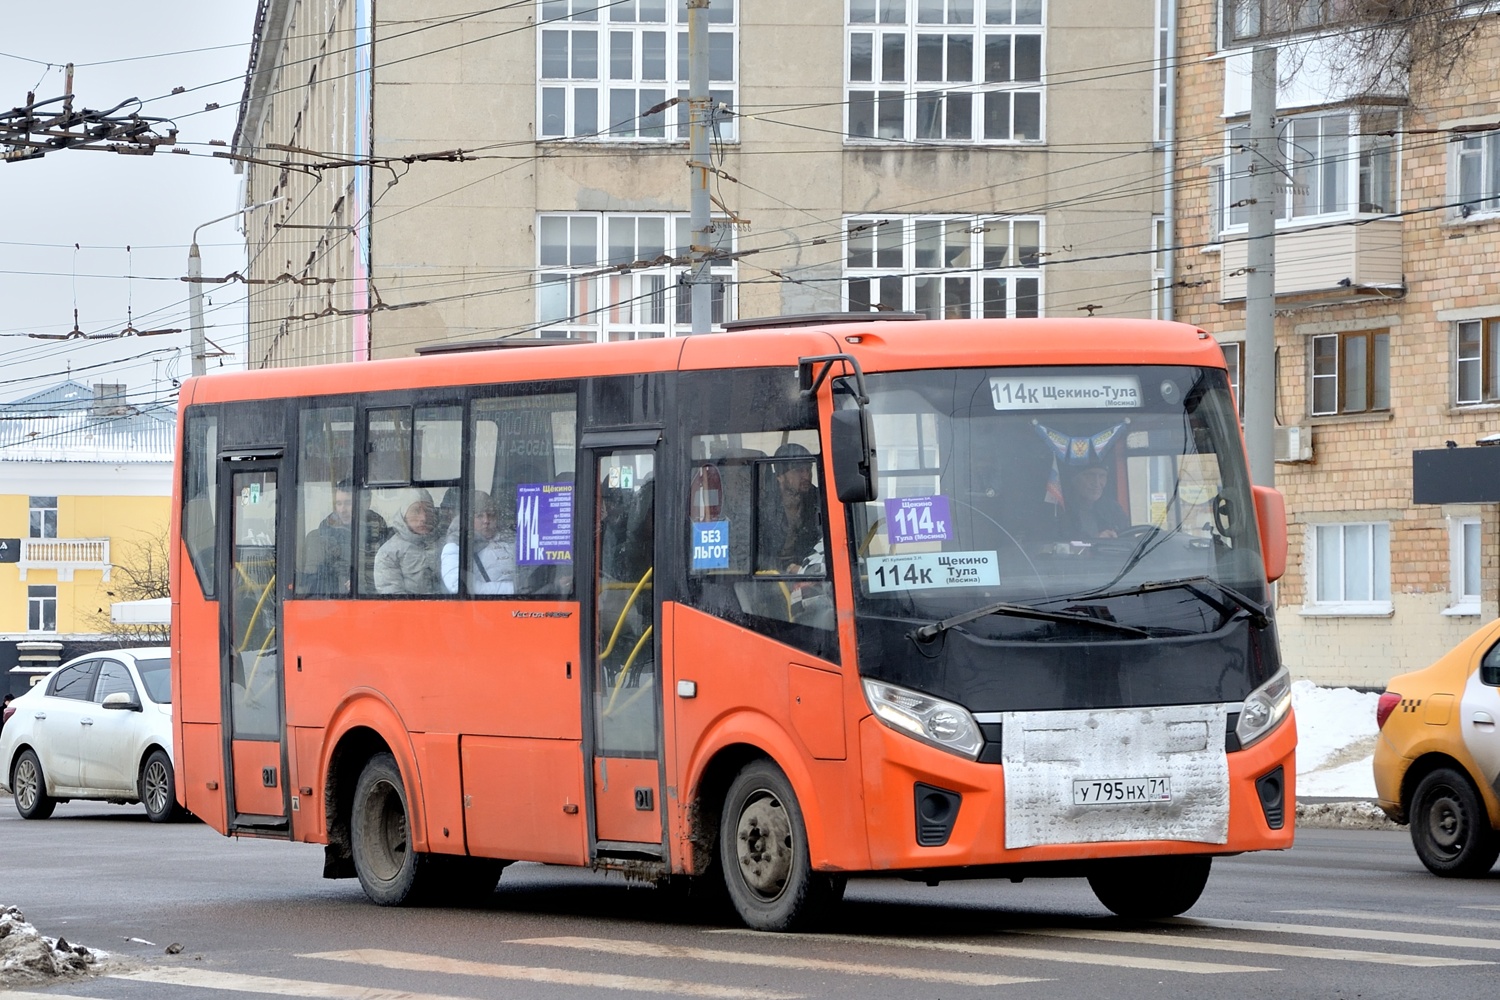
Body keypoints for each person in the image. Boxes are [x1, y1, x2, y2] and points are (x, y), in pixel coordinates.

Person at [760, 442, 823, 572]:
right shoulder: (763, 505)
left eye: (808, 469)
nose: (807, 476)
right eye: (799, 470)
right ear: (780, 476)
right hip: (767, 577)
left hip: (809, 571)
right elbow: (754, 553)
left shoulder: (818, 500)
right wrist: (788, 568)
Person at [441, 491, 517, 595]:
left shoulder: (511, 539)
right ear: (468, 519)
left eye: (491, 515)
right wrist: (514, 590)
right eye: (479, 516)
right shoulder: (457, 543)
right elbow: (457, 585)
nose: (486, 520)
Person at [373, 488, 441, 594]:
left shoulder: (446, 544)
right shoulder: (388, 553)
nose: (423, 517)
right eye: (416, 510)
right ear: (403, 516)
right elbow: (393, 598)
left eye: (428, 510)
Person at [300, 481, 355, 595]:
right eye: (339, 504)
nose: (342, 509)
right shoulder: (320, 536)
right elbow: (314, 579)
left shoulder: (374, 524)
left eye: (348, 503)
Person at [1059, 462, 1129, 540]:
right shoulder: (1060, 508)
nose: (1097, 483)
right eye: (1090, 476)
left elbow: (1128, 536)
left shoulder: (1113, 509)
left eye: (1102, 476)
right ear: (1074, 479)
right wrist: (1095, 540)